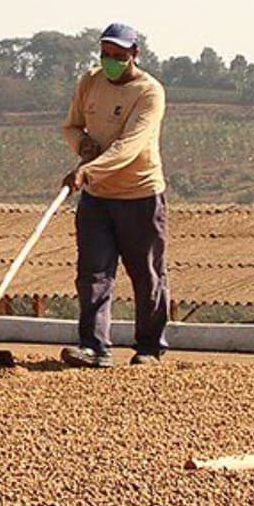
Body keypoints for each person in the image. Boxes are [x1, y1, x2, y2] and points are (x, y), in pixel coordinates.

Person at [59, 22, 170, 367]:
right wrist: (82, 144)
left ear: (135, 54)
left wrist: (87, 170)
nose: (110, 61)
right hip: (97, 198)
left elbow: (129, 147)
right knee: (93, 272)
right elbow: (71, 126)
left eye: (118, 55)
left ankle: (150, 347)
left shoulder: (149, 92)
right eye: (105, 54)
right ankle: (93, 346)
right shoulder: (90, 81)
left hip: (139, 195)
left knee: (146, 273)